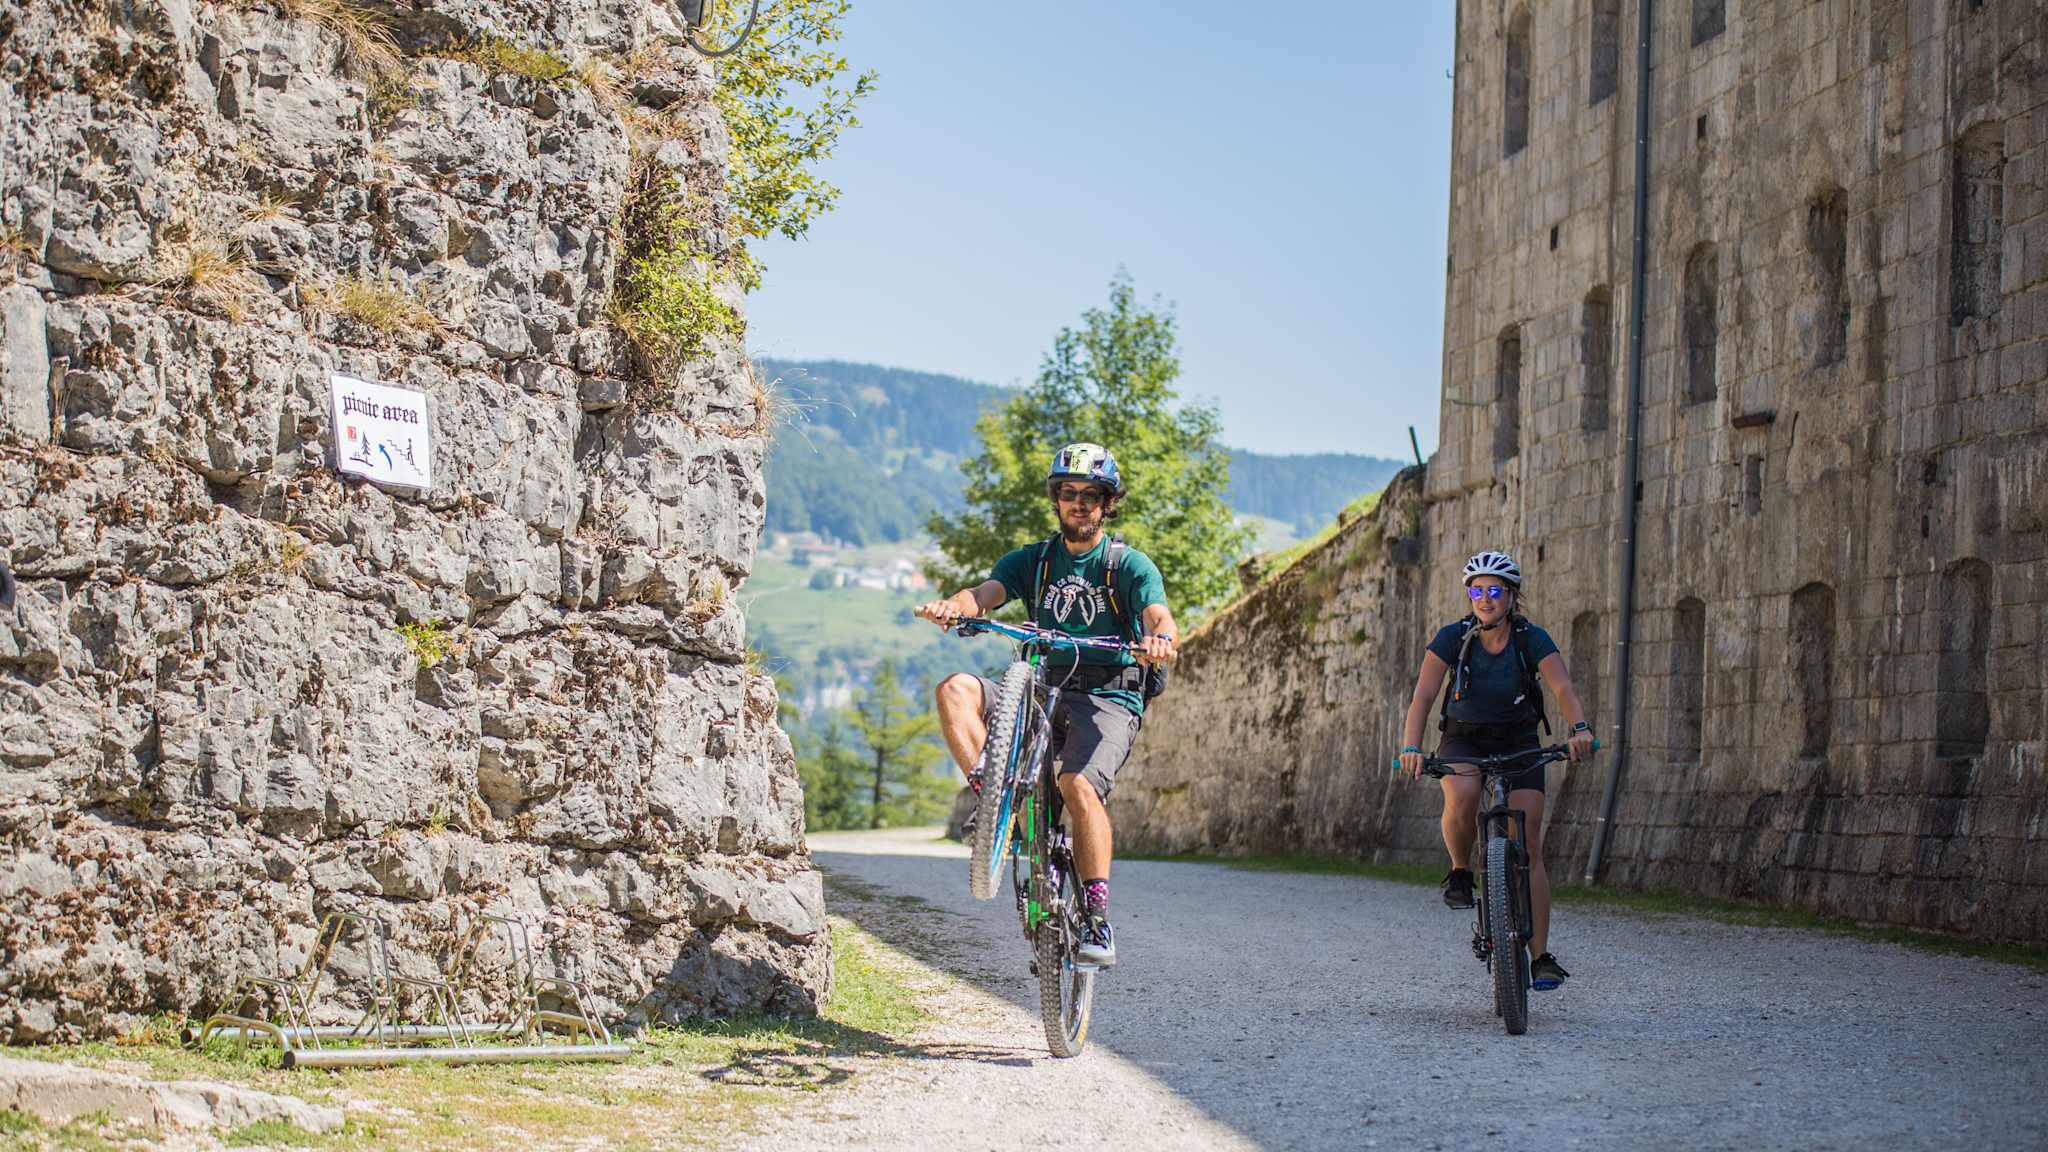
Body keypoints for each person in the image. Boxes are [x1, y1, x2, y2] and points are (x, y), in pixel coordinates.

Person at [917, 443, 1180, 967]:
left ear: (1107, 504)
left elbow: (1157, 614)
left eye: (1090, 495)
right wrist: (955, 605)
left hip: (1107, 690)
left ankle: (1099, 920)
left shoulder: (1127, 565)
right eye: (1068, 494)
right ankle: (993, 800)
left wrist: (1161, 639)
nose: (1078, 503)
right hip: (1042, 683)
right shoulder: (1033, 561)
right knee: (955, 690)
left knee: (1077, 785)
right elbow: (986, 593)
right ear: (1056, 501)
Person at [1396, 550, 1595, 990]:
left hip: (1519, 740)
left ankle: (1540, 956)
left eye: (1494, 591)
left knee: (1529, 842)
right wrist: (1411, 745)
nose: (1485, 598)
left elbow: (1561, 685)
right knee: (1463, 793)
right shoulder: (1453, 636)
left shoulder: (1531, 639)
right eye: (1477, 590)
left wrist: (1579, 728)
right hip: (1463, 737)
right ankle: (1461, 870)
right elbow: (1424, 696)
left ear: (1511, 595)